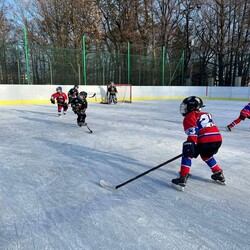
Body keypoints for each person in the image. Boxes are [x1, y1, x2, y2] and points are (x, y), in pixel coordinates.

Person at [172, 96, 225, 188]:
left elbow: (193, 130)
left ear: (191, 107)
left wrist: (191, 144)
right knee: (206, 155)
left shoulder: (190, 116)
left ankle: (183, 177)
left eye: (186, 106)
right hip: (217, 139)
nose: (184, 108)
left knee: (187, 153)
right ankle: (218, 173)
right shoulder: (205, 114)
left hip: (205, 139)